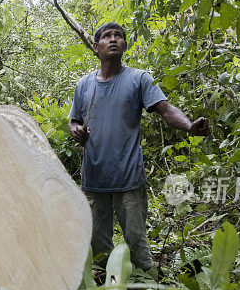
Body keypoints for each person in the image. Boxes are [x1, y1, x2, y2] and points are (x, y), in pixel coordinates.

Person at [68, 22, 208, 271]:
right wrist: (76, 130)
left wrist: (189, 126)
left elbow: (165, 109)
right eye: (107, 36)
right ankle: (110, 288)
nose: (113, 39)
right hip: (94, 180)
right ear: (96, 46)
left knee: (136, 241)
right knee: (97, 244)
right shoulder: (83, 85)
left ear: (124, 45)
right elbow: (74, 121)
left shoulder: (139, 79)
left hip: (129, 178)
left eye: (119, 36)